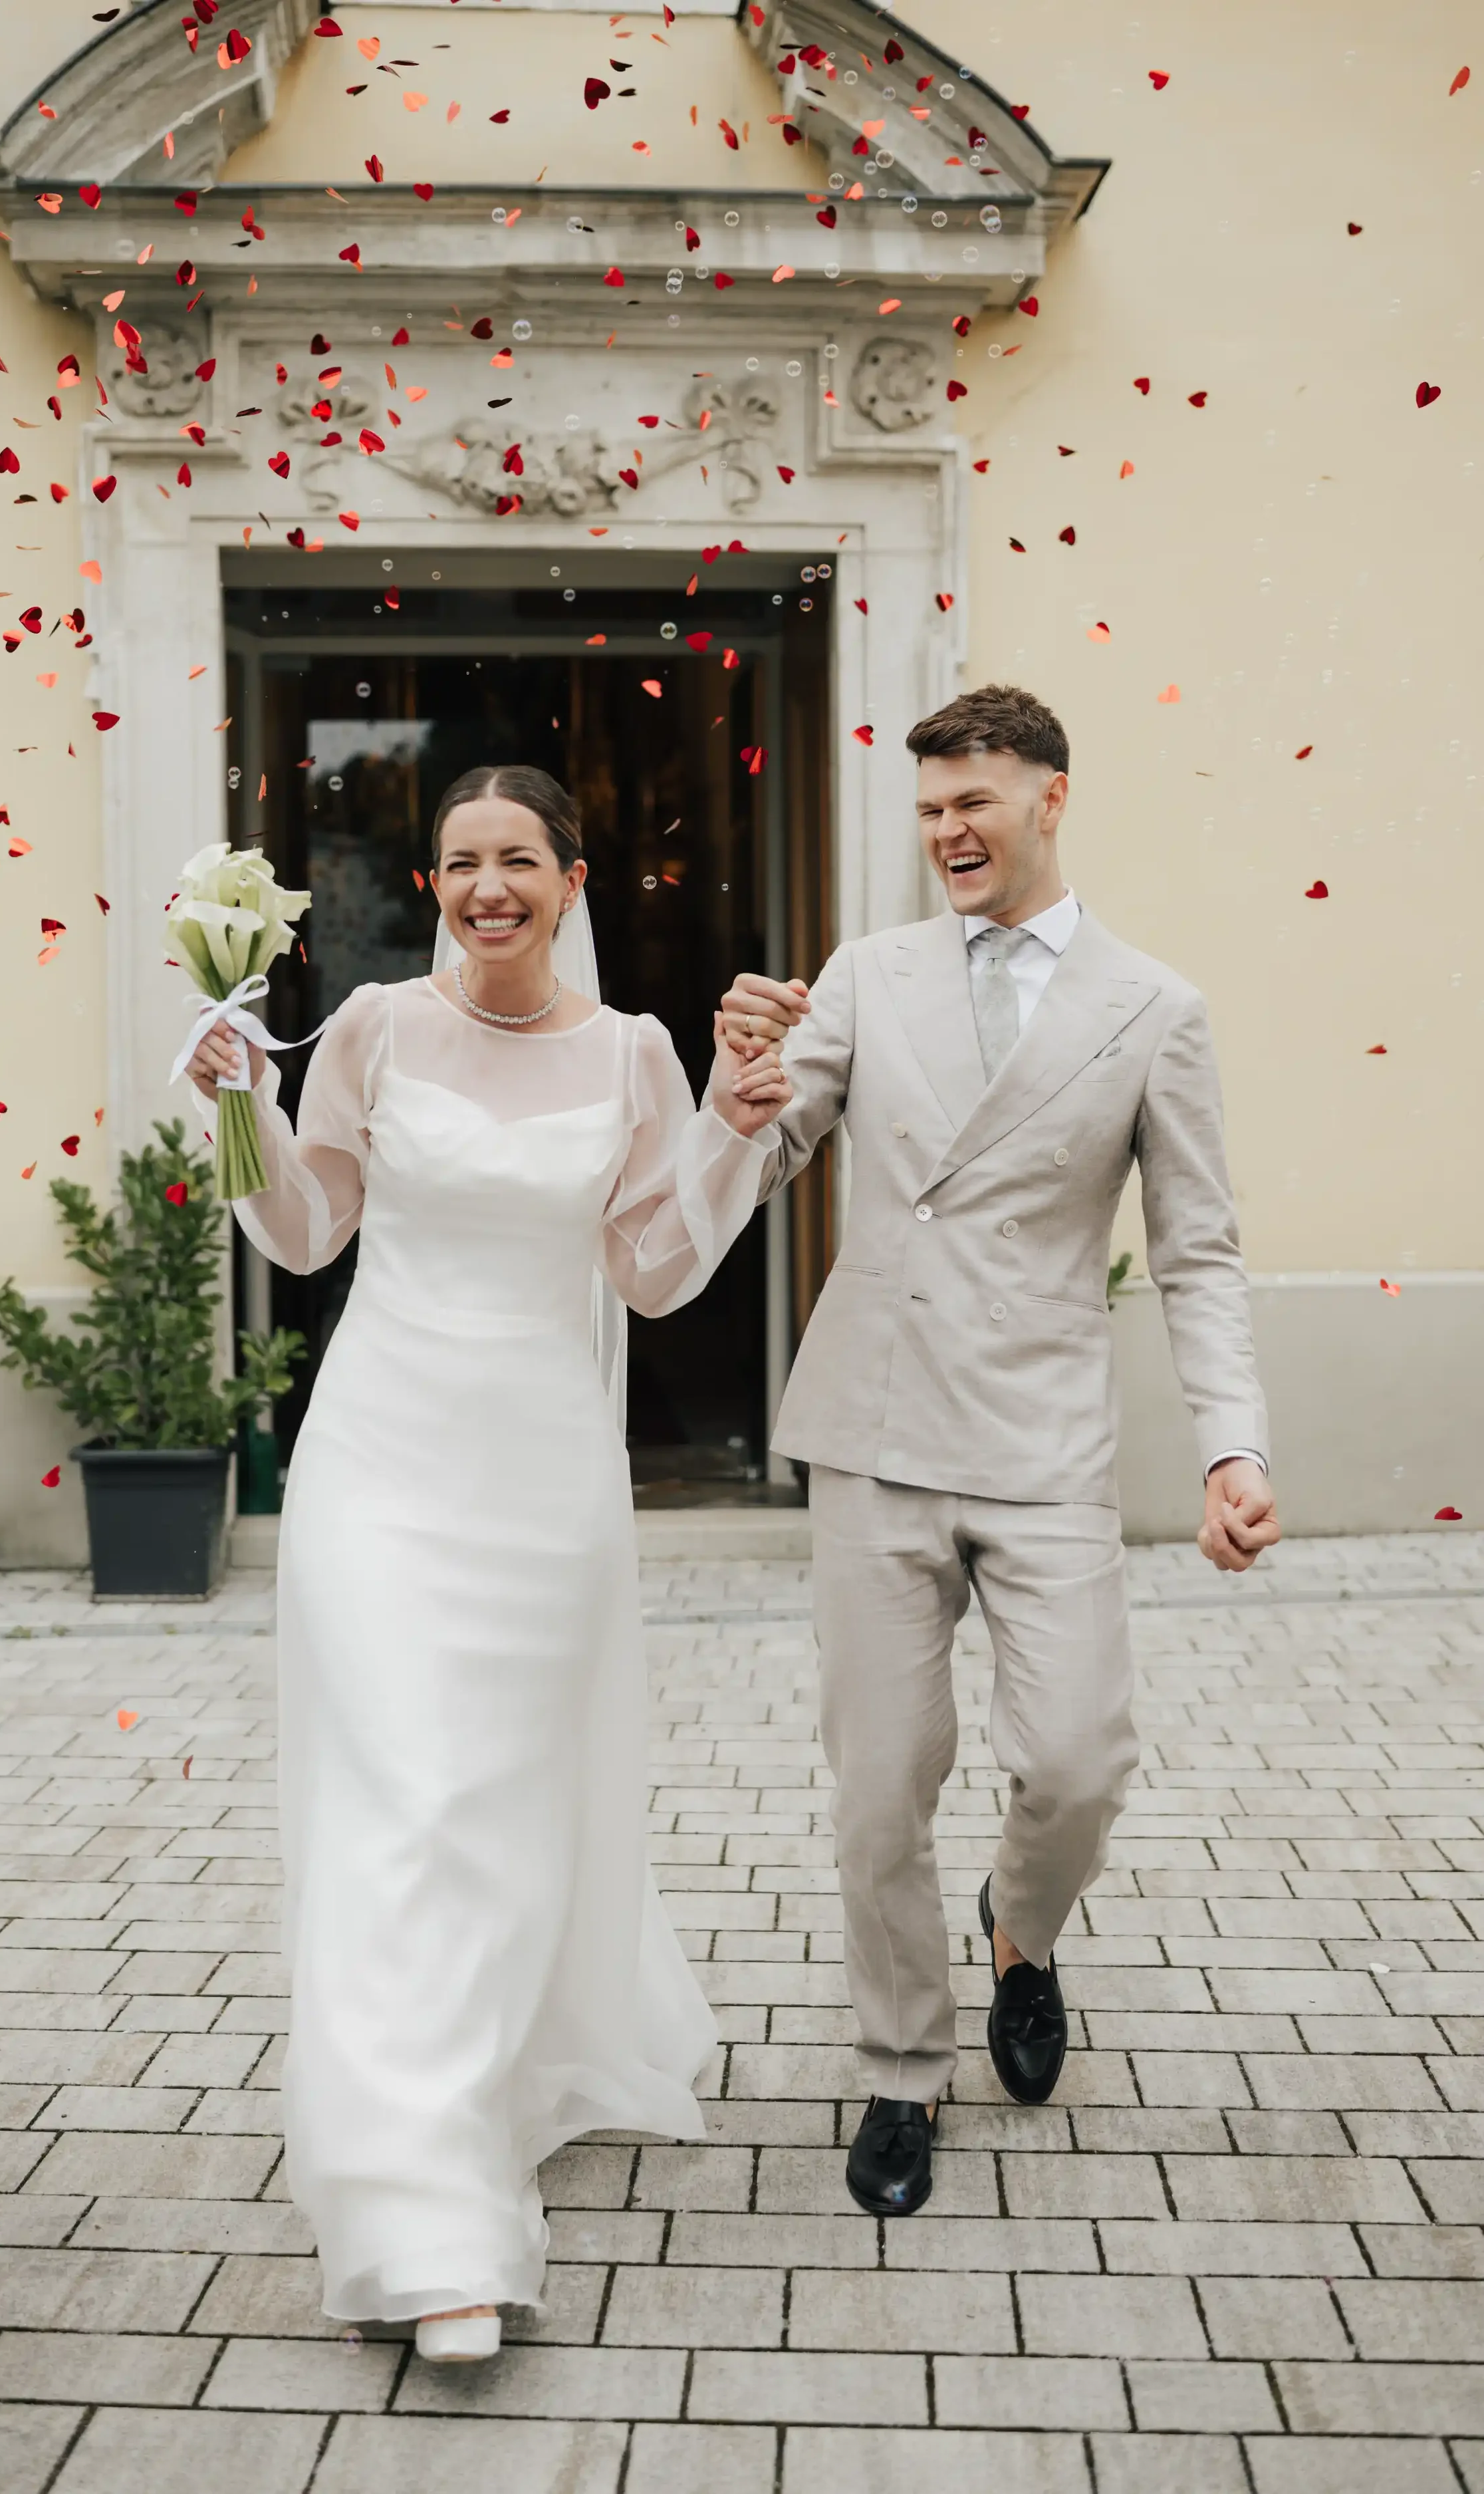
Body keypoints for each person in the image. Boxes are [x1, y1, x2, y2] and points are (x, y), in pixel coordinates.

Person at [186, 764, 790, 2359]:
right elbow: (308, 1232)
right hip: (379, 1467)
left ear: (571, 880)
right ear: (433, 884)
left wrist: (730, 1134)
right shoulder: (373, 1030)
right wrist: (239, 1104)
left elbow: (652, 1271)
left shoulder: (632, 1053)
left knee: (500, 1813)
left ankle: (482, 2072)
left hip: (542, 1479)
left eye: (516, 857)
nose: (485, 885)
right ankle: (427, 2219)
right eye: (458, 862)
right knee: (408, 1805)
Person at [719, 684, 1279, 2221]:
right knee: (880, 1786)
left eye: (971, 802)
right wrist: (738, 1088)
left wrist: (1231, 1446)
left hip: (1040, 1438)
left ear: (1048, 797)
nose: (946, 832)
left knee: (1080, 1759)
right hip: (876, 1428)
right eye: (926, 811)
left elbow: (1199, 1249)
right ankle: (901, 2069)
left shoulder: (1150, 1006)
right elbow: (770, 1152)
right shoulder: (867, 973)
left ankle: (1019, 1931)